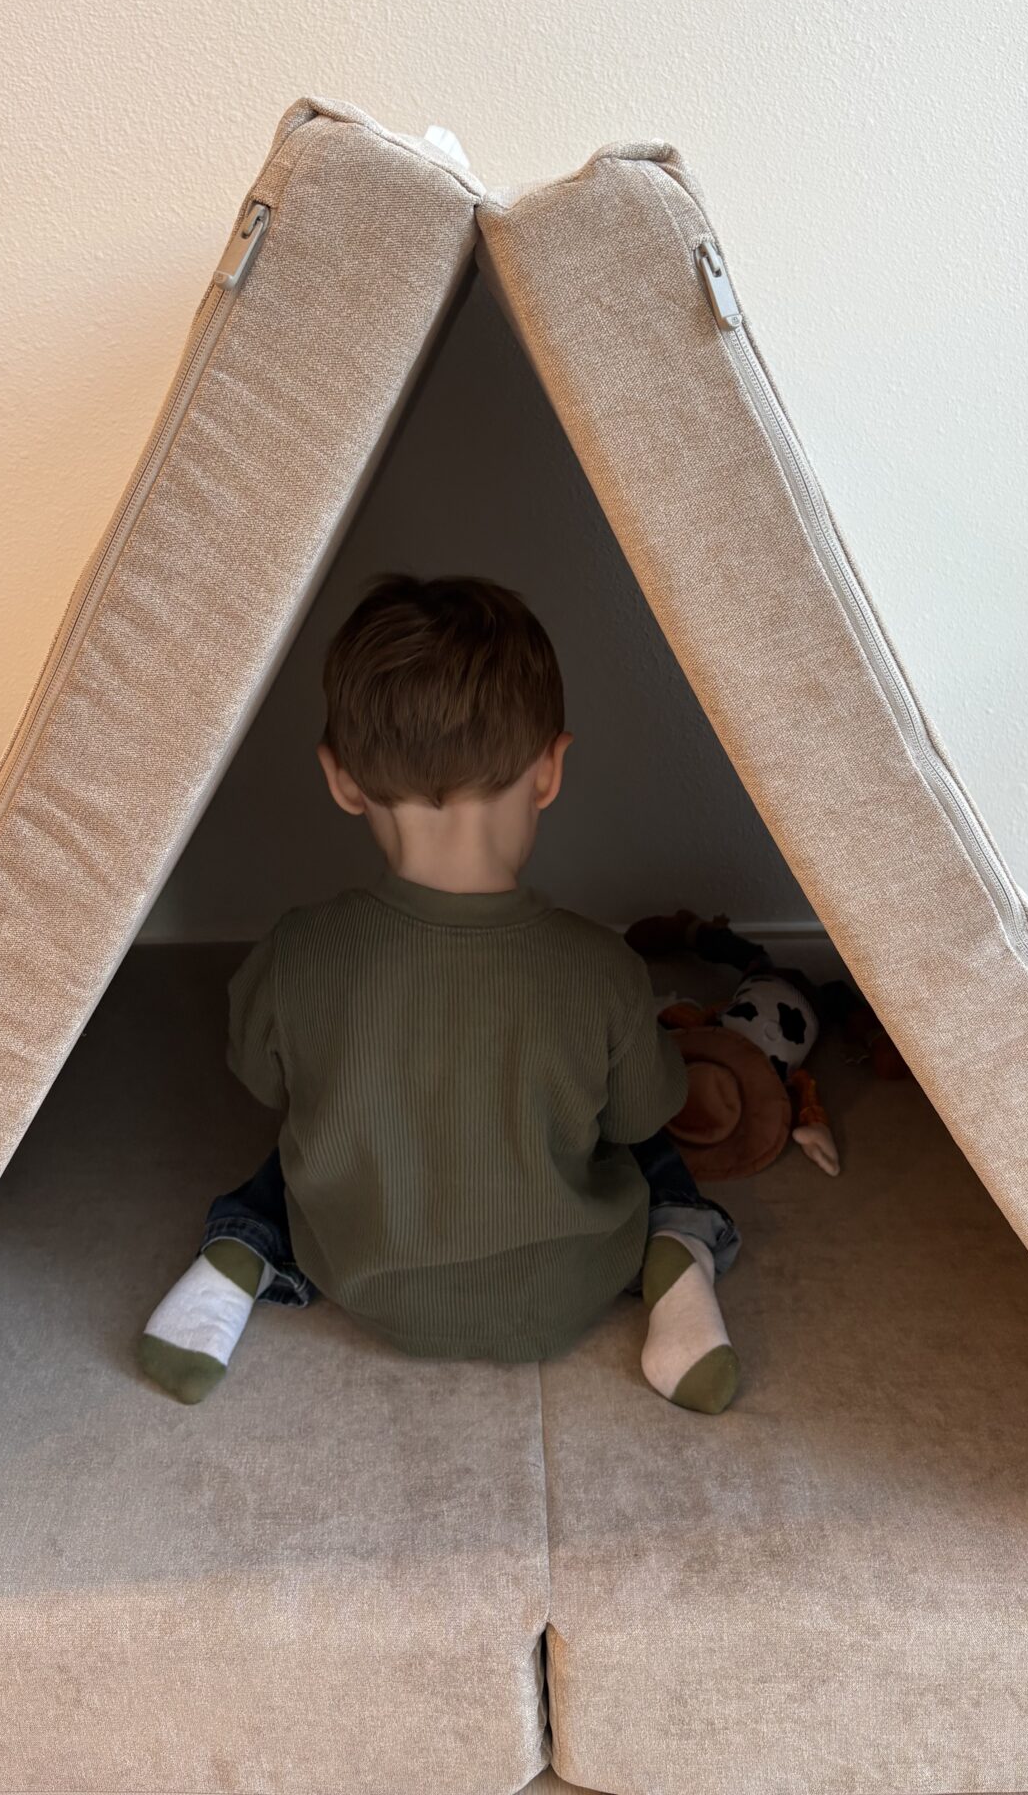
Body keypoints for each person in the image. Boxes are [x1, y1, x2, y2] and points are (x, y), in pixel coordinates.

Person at [138, 574, 740, 1411]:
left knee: (301, 1147)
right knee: (652, 1158)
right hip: (569, 1285)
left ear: (341, 779)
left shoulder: (298, 952)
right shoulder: (602, 967)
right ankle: (679, 1264)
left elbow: (263, 1080)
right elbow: (645, 1113)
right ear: (549, 771)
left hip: (364, 1279)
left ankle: (235, 1256)